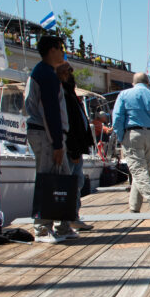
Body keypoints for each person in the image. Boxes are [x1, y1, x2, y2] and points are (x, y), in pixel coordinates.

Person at [24, 34, 75, 243]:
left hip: (49, 134)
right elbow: (50, 111)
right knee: (46, 177)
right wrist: (56, 143)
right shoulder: (45, 74)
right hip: (45, 134)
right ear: (52, 50)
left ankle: (64, 225)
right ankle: (42, 229)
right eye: (61, 48)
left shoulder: (47, 72)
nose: (63, 52)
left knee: (63, 177)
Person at [111, 72, 150, 213]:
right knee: (143, 171)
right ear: (148, 83)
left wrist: (120, 136)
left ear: (133, 83)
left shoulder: (124, 95)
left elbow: (117, 118)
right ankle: (134, 207)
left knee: (137, 170)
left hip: (132, 133)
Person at [56, 62, 96, 231]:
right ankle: (68, 219)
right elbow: (68, 124)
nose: (71, 76)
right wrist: (73, 149)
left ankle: (73, 217)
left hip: (76, 147)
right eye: (67, 73)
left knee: (76, 183)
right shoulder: (64, 95)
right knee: (71, 183)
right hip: (72, 148)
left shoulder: (70, 94)